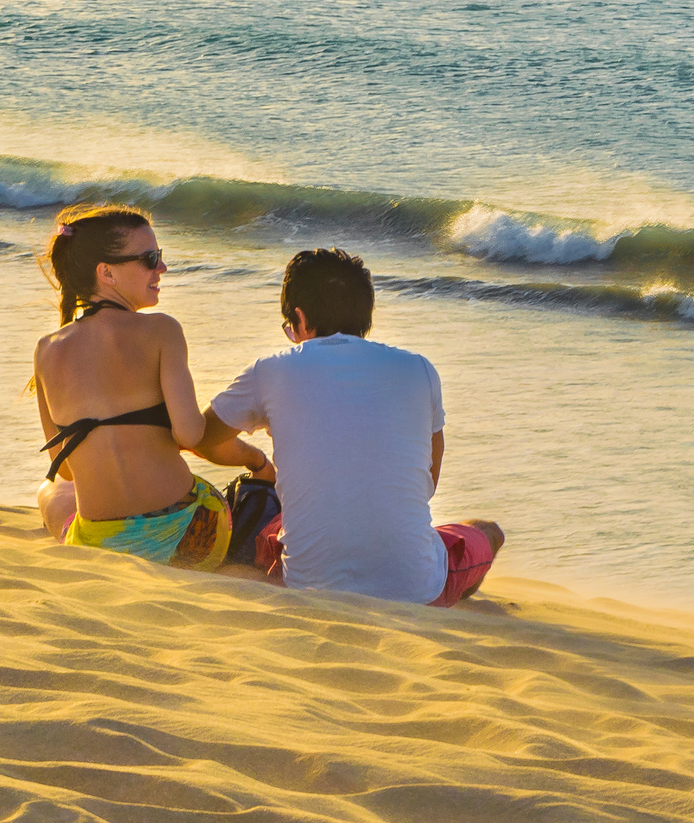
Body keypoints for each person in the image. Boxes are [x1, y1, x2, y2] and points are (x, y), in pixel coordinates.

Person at [201, 248, 504, 605]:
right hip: (417, 589)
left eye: (289, 329)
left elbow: (201, 438)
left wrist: (258, 463)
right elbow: (429, 482)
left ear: (299, 317)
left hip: (306, 582)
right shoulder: (419, 370)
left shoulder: (271, 371)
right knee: (488, 532)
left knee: (275, 527)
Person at [31, 203, 271, 570]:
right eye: (150, 258)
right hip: (191, 539)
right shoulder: (161, 330)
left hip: (100, 547)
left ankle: (79, 534)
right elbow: (191, 433)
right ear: (106, 272)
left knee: (50, 490)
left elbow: (65, 471)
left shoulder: (46, 350)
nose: (162, 268)